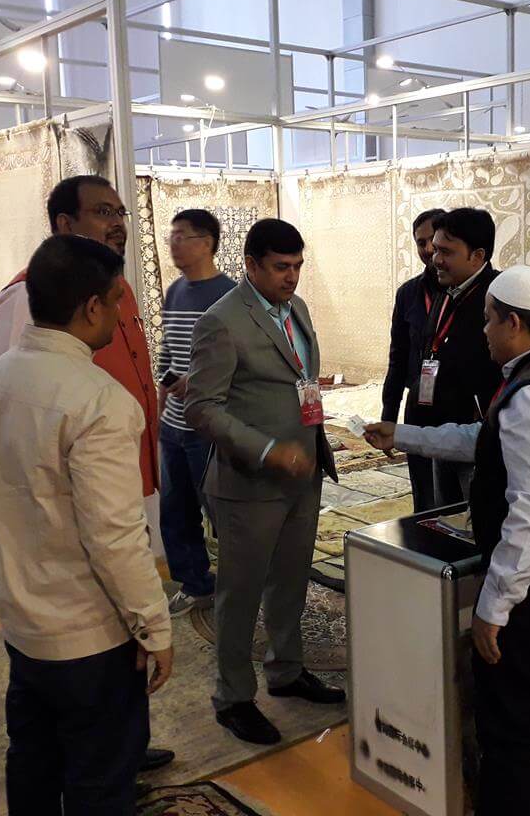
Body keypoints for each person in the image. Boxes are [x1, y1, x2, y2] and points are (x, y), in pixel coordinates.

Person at [363, 265, 530, 816]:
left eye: (490, 320)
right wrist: (405, 435)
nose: (484, 331)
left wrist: (494, 608)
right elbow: (485, 438)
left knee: (514, 733)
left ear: (513, 322)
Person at [0, 235, 174, 816]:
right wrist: (153, 626)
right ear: (92, 307)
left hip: (23, 626)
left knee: (33, 759)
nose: (122, 313)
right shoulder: (101, 401)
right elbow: (114, 537)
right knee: (100, 779)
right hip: (90, 635)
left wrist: (17, 582)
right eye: (118, 300)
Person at [185, 219, 344, 746]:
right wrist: (267, 450)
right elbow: (201, 408)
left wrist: (308, 447)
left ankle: (286, 669)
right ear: (251, 265)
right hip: (249, 484)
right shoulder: (222, 321)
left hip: (303, 472)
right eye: (280, 267)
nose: (291, 277)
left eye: (297, 266)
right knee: (240, 594)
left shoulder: (296, 309)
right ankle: (233, 697)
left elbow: (300, 381)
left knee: (291, 581)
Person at [0, 175, 159, 500]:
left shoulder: (120, 290)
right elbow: (13, 403)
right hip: (71, 486)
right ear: (65, 224)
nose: (117, 224)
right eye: (103, 212)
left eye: (120, 213)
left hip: (129, 465)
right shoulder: (28, 294)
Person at [157, 209, 236, 616]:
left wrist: (198, 381)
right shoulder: (174, 292)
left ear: (206, 243)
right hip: (173, 424)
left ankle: (242, 583)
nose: (173, 244)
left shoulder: (230, 295)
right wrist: (157, 413)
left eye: (181, 236)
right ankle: (195, 583)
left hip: (209, 426)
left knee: (223, 510)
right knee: (175, 510)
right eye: (171, 236)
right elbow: (166, 352)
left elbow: (240, 362)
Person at [404, 207, 501, 506]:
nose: (435, 259)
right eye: (435, 249)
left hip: (475, 438)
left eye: (445, 251)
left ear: (477, 256)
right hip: (442, 431)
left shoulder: (497, 297)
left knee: (475, 516)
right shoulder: (448, 292)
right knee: (444, 517)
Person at [381, 207, 445, 513]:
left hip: (457, 409)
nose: (428, 249)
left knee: (455, 494)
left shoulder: (466, 291)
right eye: (421, 243)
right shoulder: (408, 294)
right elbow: (397, 358)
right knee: (424, 494)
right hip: (419, 403)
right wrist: (389, 416)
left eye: (434, 241)